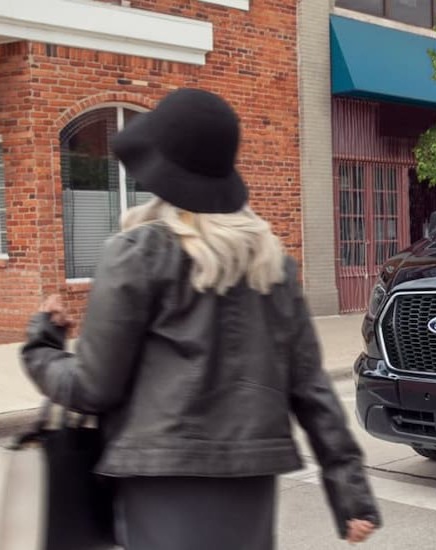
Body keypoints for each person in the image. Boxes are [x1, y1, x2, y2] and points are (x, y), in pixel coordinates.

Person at [21, 88, 379, 549]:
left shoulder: (136, 254)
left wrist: (42, 346)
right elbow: (311, 388)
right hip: (250, 481)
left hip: (161, 481)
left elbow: (93, 387)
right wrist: (350, 493)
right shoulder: (271, 265)